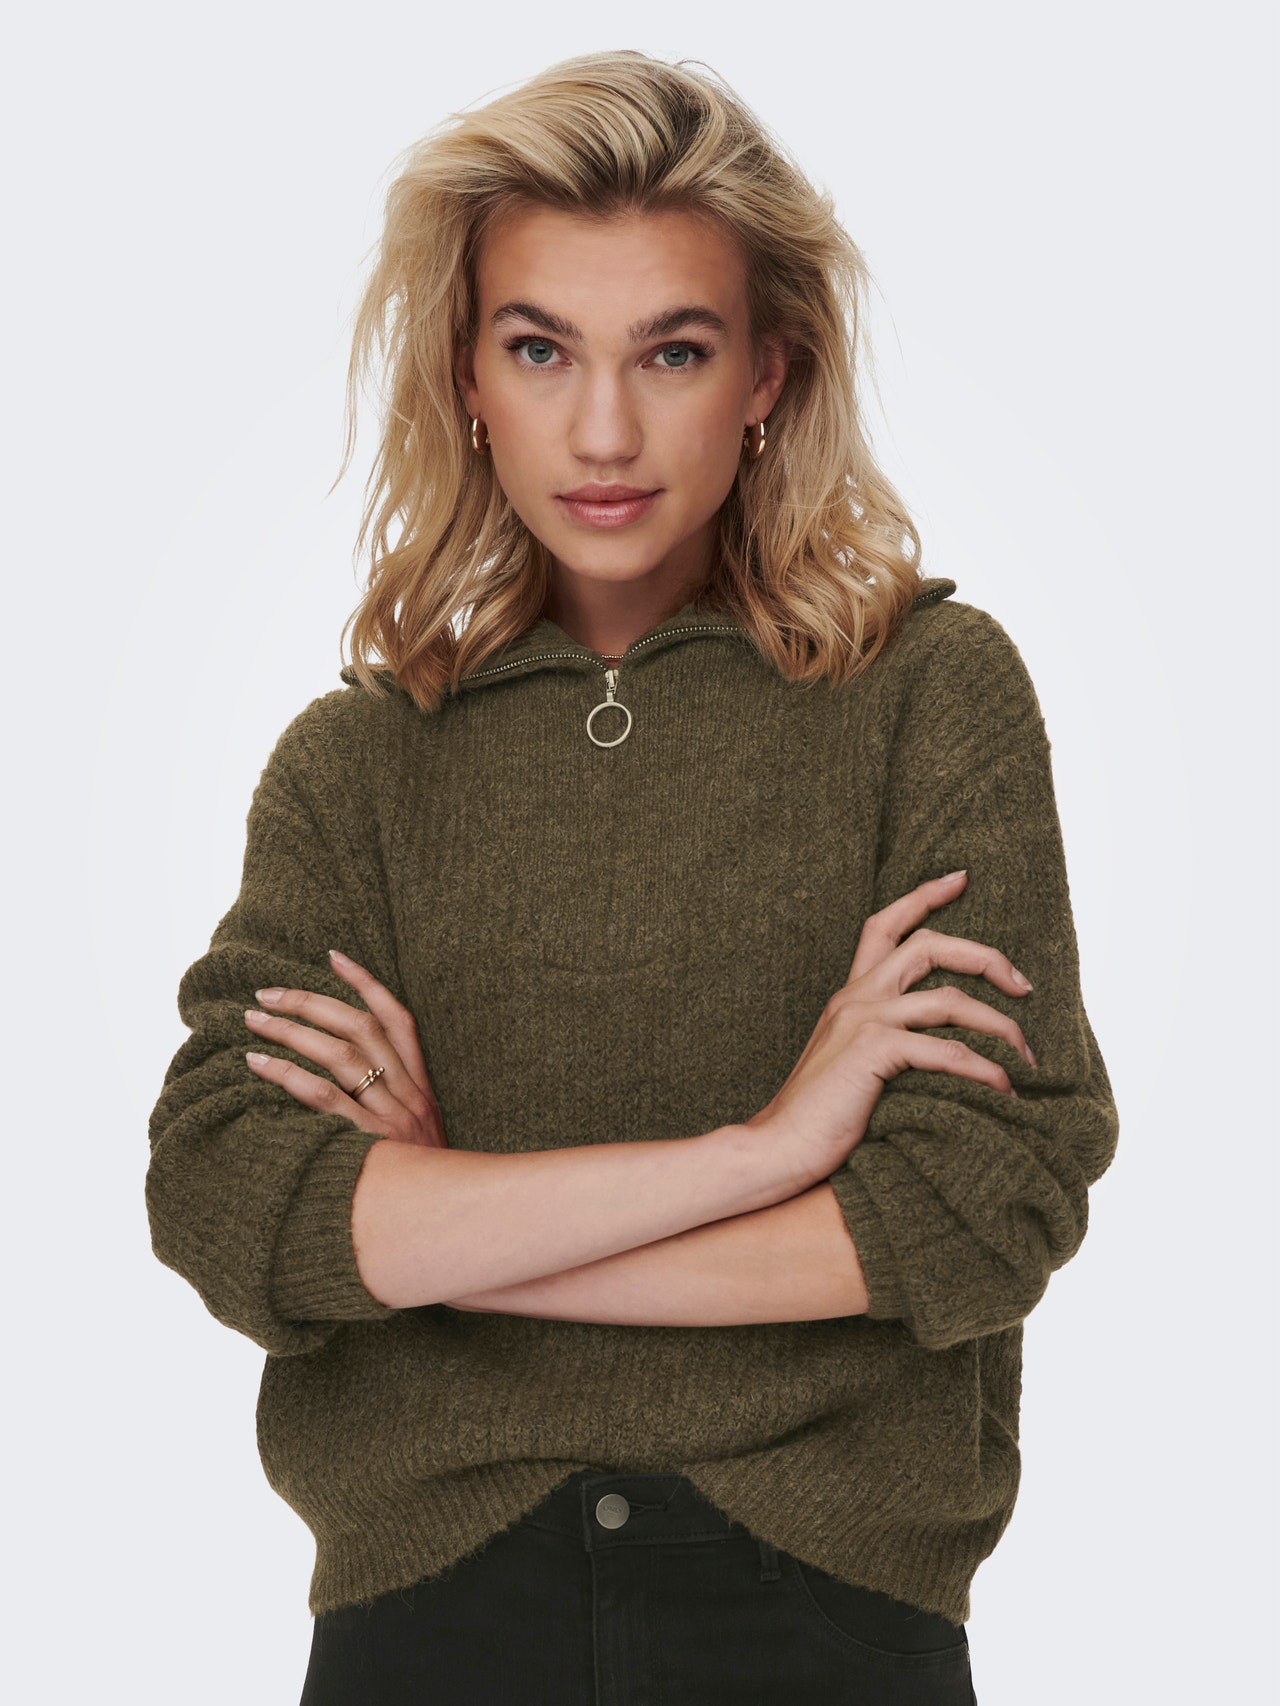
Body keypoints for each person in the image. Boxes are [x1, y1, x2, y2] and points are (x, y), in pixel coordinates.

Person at [146, 49, 1120, 1706]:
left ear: (767, 373)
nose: (605, 430)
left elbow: (984, 1198)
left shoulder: (925, 696)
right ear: (467, 374)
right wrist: (767, 1151)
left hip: (823, 1610)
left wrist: (444, 1223)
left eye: (674, 350)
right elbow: (231, 1198)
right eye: (541, 349)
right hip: (431, 1614)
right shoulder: (359, 766)